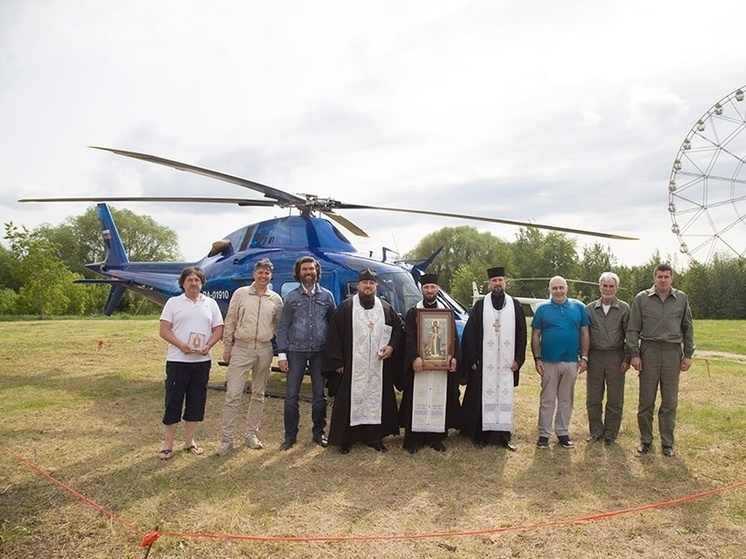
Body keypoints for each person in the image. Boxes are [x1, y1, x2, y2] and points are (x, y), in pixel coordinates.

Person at [324, 268, 404, 454]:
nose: (368, 286)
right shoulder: (346, 308)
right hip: (353, 367)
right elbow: (334, 335)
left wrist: (391, 347)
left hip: (378, 366)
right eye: (364, 283)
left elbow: (399, 329)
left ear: (376, 285)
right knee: (350, 399)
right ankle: (347, 438)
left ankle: (374, 437)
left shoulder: (385, 308)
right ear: (358, 285)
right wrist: (337, 362)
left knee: (376, 399)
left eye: (371, 283)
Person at [215, 258, 283, 456]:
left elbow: (278, 326)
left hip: (264, 350)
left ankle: (251, 434)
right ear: (254, 274)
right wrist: (227, 347)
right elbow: (231, 320)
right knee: (233, 394)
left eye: (267, 273)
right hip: (241, 348)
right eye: (260, 272)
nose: (263, 276)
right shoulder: (241, 294)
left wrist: (281, 352)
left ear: (271, 276)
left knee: (258, 394)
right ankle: (227, 440)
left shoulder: (276, 299)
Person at [627, 264, 694, 458]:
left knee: (670, 401)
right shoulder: (641, 299)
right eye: (660, 276)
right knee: (646, 400)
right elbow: (632, 329)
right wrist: (635, 354)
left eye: (666, 276)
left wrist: (688, 354)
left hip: (673, 352)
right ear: (654, 278)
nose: (663, 280)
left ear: (672, 278)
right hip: (649, 351)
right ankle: (646, 440)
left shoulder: (681, 298)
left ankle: (667, 442)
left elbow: (688, 327)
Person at [157, 267, 224, 460]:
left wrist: (209, 345)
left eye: (197, 280)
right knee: (173, 401)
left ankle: (190, 442)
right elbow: (164, 330)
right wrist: (180, 345)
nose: (194, 283)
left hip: (202, 361)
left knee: (196, 401)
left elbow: (218, 329)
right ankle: (168, 444)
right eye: (190, 280)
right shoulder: (173, 303)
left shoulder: (210, 303)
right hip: (178, 360)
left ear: (202, 283)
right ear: (183, 283)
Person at [460, 266, 527, 451]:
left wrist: (519, 359)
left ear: (505, 282)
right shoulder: (481, 305)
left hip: (506, 363)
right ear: (489, 284)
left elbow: (522, 334)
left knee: (503, 397)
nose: (497, 283)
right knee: (483, 397)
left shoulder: (515, 305)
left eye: (500, 280)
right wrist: (472, 357)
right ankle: (480, 436)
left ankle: (503, 436)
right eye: (494, 280)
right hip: (485, 362)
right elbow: (470, 333)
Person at [276, 256, 337, 450]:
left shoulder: (327, 297)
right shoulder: (291, 298)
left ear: (317, 272)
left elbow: (333, 325)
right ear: (299, 273)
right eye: (304, 269)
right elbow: (283, 327)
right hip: (295, 352)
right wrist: (282, 354)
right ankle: (290, 436)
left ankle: (318, 433)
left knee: (320, 396)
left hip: (320, 352)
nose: (308, 272)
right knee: (291, 396)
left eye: (311, 269)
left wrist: (334, 353)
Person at [399, 273, 461, 453]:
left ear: (437, 289)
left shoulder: (446, 312)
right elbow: (409, 337)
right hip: (420, 365)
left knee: (438, 400)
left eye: (432, 287)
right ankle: (414, 439)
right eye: (426, 287)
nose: (429, 290)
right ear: (421, 289)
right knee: (417, 398)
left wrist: (455, 357)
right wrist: (413, 357)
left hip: (440, 365)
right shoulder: (413, 312)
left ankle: (436, 438)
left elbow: (454, 338)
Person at [531, 276, 589, 449]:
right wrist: (537, 358)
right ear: (550, 290)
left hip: (571, 361)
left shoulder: (578, 307)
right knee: (547, 399)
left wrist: (584, 357)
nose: (558, 291)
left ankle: (563, 432)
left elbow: (585, 333)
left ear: (567, 288)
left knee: (566, 399)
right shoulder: (542, 310)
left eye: (561, 288)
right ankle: (543, 434)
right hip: (548, 361)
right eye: (554, 288)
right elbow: (535, 335)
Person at [585, 272, 630, 446]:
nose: (608, 289)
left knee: (615, 397)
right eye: (605, 286)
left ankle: (611, 433)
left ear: (616, 288)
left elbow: (630, 335)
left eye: (611, 286)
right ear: (600, 287)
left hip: (616, 356)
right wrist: (584, 357)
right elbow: (584, 334)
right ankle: (595, 431)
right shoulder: (589, 309)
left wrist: (627, 358)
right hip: (595, 356)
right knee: (593, 397)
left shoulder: (624, 308)